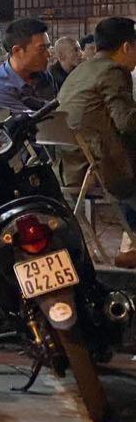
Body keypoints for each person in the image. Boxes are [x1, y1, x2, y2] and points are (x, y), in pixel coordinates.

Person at [58, 16, 136, 265]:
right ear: (127, 46)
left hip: (72, 165)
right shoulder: (114, 71)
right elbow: (127, 122)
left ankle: (132, 244)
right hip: (101, 168)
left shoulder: (81, 71)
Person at [0, 18, 55, 113]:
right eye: (41, 49)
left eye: (48, 47)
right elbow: (35, 121)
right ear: (17, 51)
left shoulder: (43, 75)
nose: (48, 54)